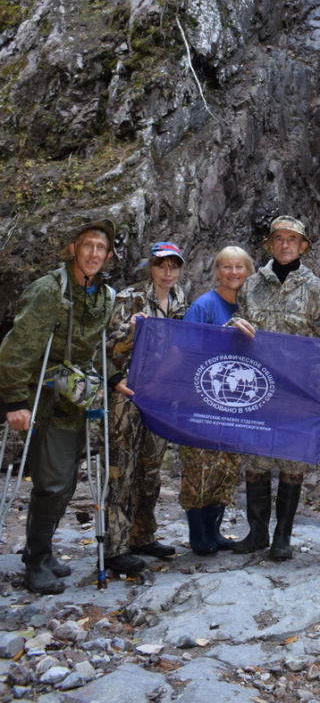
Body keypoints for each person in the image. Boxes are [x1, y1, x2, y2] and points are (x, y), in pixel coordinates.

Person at [0, 218, 116, 593]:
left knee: (64, 482)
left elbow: (98, 350)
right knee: (52, 483)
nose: (94, 253)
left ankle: (44, 552)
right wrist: (15, 400)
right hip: (44, 400)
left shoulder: (103, 295)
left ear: (108, 255)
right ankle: (35, 562)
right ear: (73, 250)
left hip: (77, 401)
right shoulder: (50, 290)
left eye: (101, 248)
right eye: (87, 246)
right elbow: (16, 348)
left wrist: (115, 380)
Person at [229, 215, 320, 561]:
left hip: (295, 391)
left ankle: (282, 537)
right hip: (256, 387)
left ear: (303, 246)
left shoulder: (317, 289)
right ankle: (256, 533)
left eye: (292, 238)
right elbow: (235, 333)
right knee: (256, 461)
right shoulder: (251, 285)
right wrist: (233, 325)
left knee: (292, 463)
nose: (285, 243)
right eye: (279, 238)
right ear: (270, 245)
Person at [103, 241, 188, 576]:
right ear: (150, 266)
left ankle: (142, 535)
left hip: (162, 393)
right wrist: (132, 333)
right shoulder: (129, 298)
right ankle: (115, 547)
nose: (168, 272)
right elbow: (108, 345)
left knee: (151, 468)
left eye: (174, 266)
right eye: (161, 265)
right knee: (121, 466)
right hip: (128, 391)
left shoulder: (181, 298)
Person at [179, 245, 254, 554]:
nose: (233, 272)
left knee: (226, 468)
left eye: (240, 267)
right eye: (226, 267)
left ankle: (215, 530)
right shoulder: (204, 306)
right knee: (199, 467)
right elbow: (185, 349)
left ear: (249, 272)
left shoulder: (250, 307)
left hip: (235, 403)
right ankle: (198, 535)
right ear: (217, 272)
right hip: (201, 401)